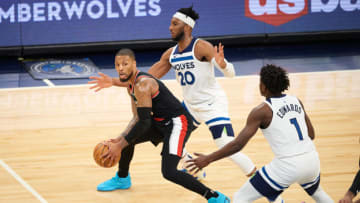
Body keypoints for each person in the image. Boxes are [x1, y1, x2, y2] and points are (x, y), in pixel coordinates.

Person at [89, 5, 257, 182]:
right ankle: (193, 167)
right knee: (167, 131)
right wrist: (113, 82)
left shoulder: (201, 47)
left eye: (175, 24)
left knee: (226, 145)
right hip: (190, 106)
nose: (170, 27)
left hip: (212, 105)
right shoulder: (171, 54)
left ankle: (258, 178)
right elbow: (143, 79)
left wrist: (223, 65)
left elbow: (231, 74)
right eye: (171, 23)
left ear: (187, 27)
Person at [186, 64, 334, 203]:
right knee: (318, 192)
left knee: (240, 198)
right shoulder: (296, 101)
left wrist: (208, 159)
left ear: (263, 86)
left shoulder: (261, 111)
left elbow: (237, 145)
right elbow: (311, 135)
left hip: (287, 166)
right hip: (311, 160)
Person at [98, 48, 230, 203]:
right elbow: (136, 118)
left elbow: (144, 122)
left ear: (134, 64)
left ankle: (213, 196)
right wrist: (119, 140)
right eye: (117, 64)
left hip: (177, 123)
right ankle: (122, 178)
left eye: (125, 64)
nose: (120, 68)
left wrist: (120, 145)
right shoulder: (131, 86)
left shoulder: (143, 84)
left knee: (169, 172)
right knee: (128, 139)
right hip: (160, 122)